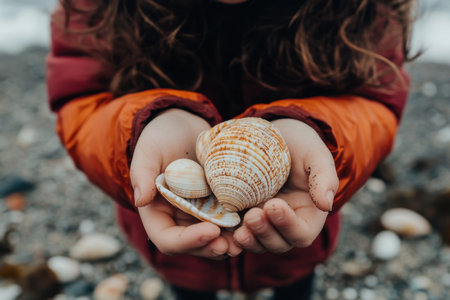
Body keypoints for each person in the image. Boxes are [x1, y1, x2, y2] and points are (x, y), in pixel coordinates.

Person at [46, 0, 414, 298]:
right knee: (189, 289)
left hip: (298, 229)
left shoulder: (362, 8)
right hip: (174, 227)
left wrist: (322, 136)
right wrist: (137, 133)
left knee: (294, 286)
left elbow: (376, 104)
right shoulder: (96, 7)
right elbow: (80, 104)